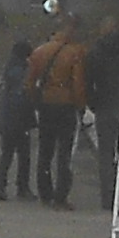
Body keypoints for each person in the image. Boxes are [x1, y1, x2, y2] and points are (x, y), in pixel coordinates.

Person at [31, 21, 92, 206]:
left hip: (46, 104)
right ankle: (61, 195)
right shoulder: (74, 53)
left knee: (45, 150)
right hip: (66, 105)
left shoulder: (39, 52)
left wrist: (36, 101)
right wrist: (80, 106)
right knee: (65, 152)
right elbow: (78, 83)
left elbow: (30, 81)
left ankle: (44, 192)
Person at [82, 22, 119, 188]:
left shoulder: (96, 52)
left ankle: (107, 191)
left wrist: (93, 103)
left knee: (105, 153)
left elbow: (88, 81)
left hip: (105, 106)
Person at [0, 36, 37, 201]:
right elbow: (25, 94)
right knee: (24, 154)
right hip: (20, 118)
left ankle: (0, 183)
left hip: (6, 117)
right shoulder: (23, 71)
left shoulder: (8, 69)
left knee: (7, 153)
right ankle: (22, 186)